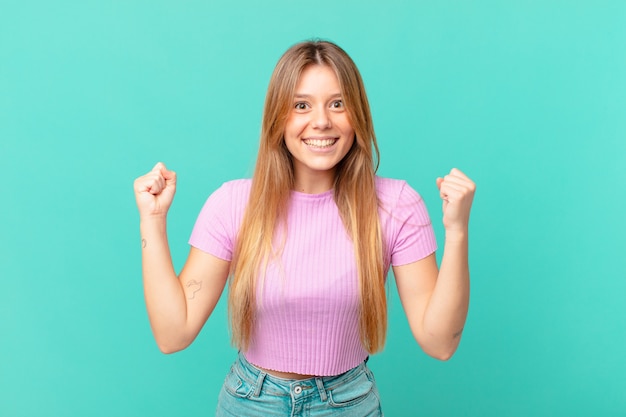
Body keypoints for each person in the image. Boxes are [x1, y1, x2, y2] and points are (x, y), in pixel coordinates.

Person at [133, 40, 475, 416]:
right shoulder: (233, 204)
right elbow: (172, 333)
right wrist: (153, 220)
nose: (322, 121)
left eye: (337, 103)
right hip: (252, 403)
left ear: (357, 114)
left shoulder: (395, 205)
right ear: (279, 118)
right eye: (301, 105)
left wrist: (457, 232)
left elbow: (440, 342)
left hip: (348, 404)